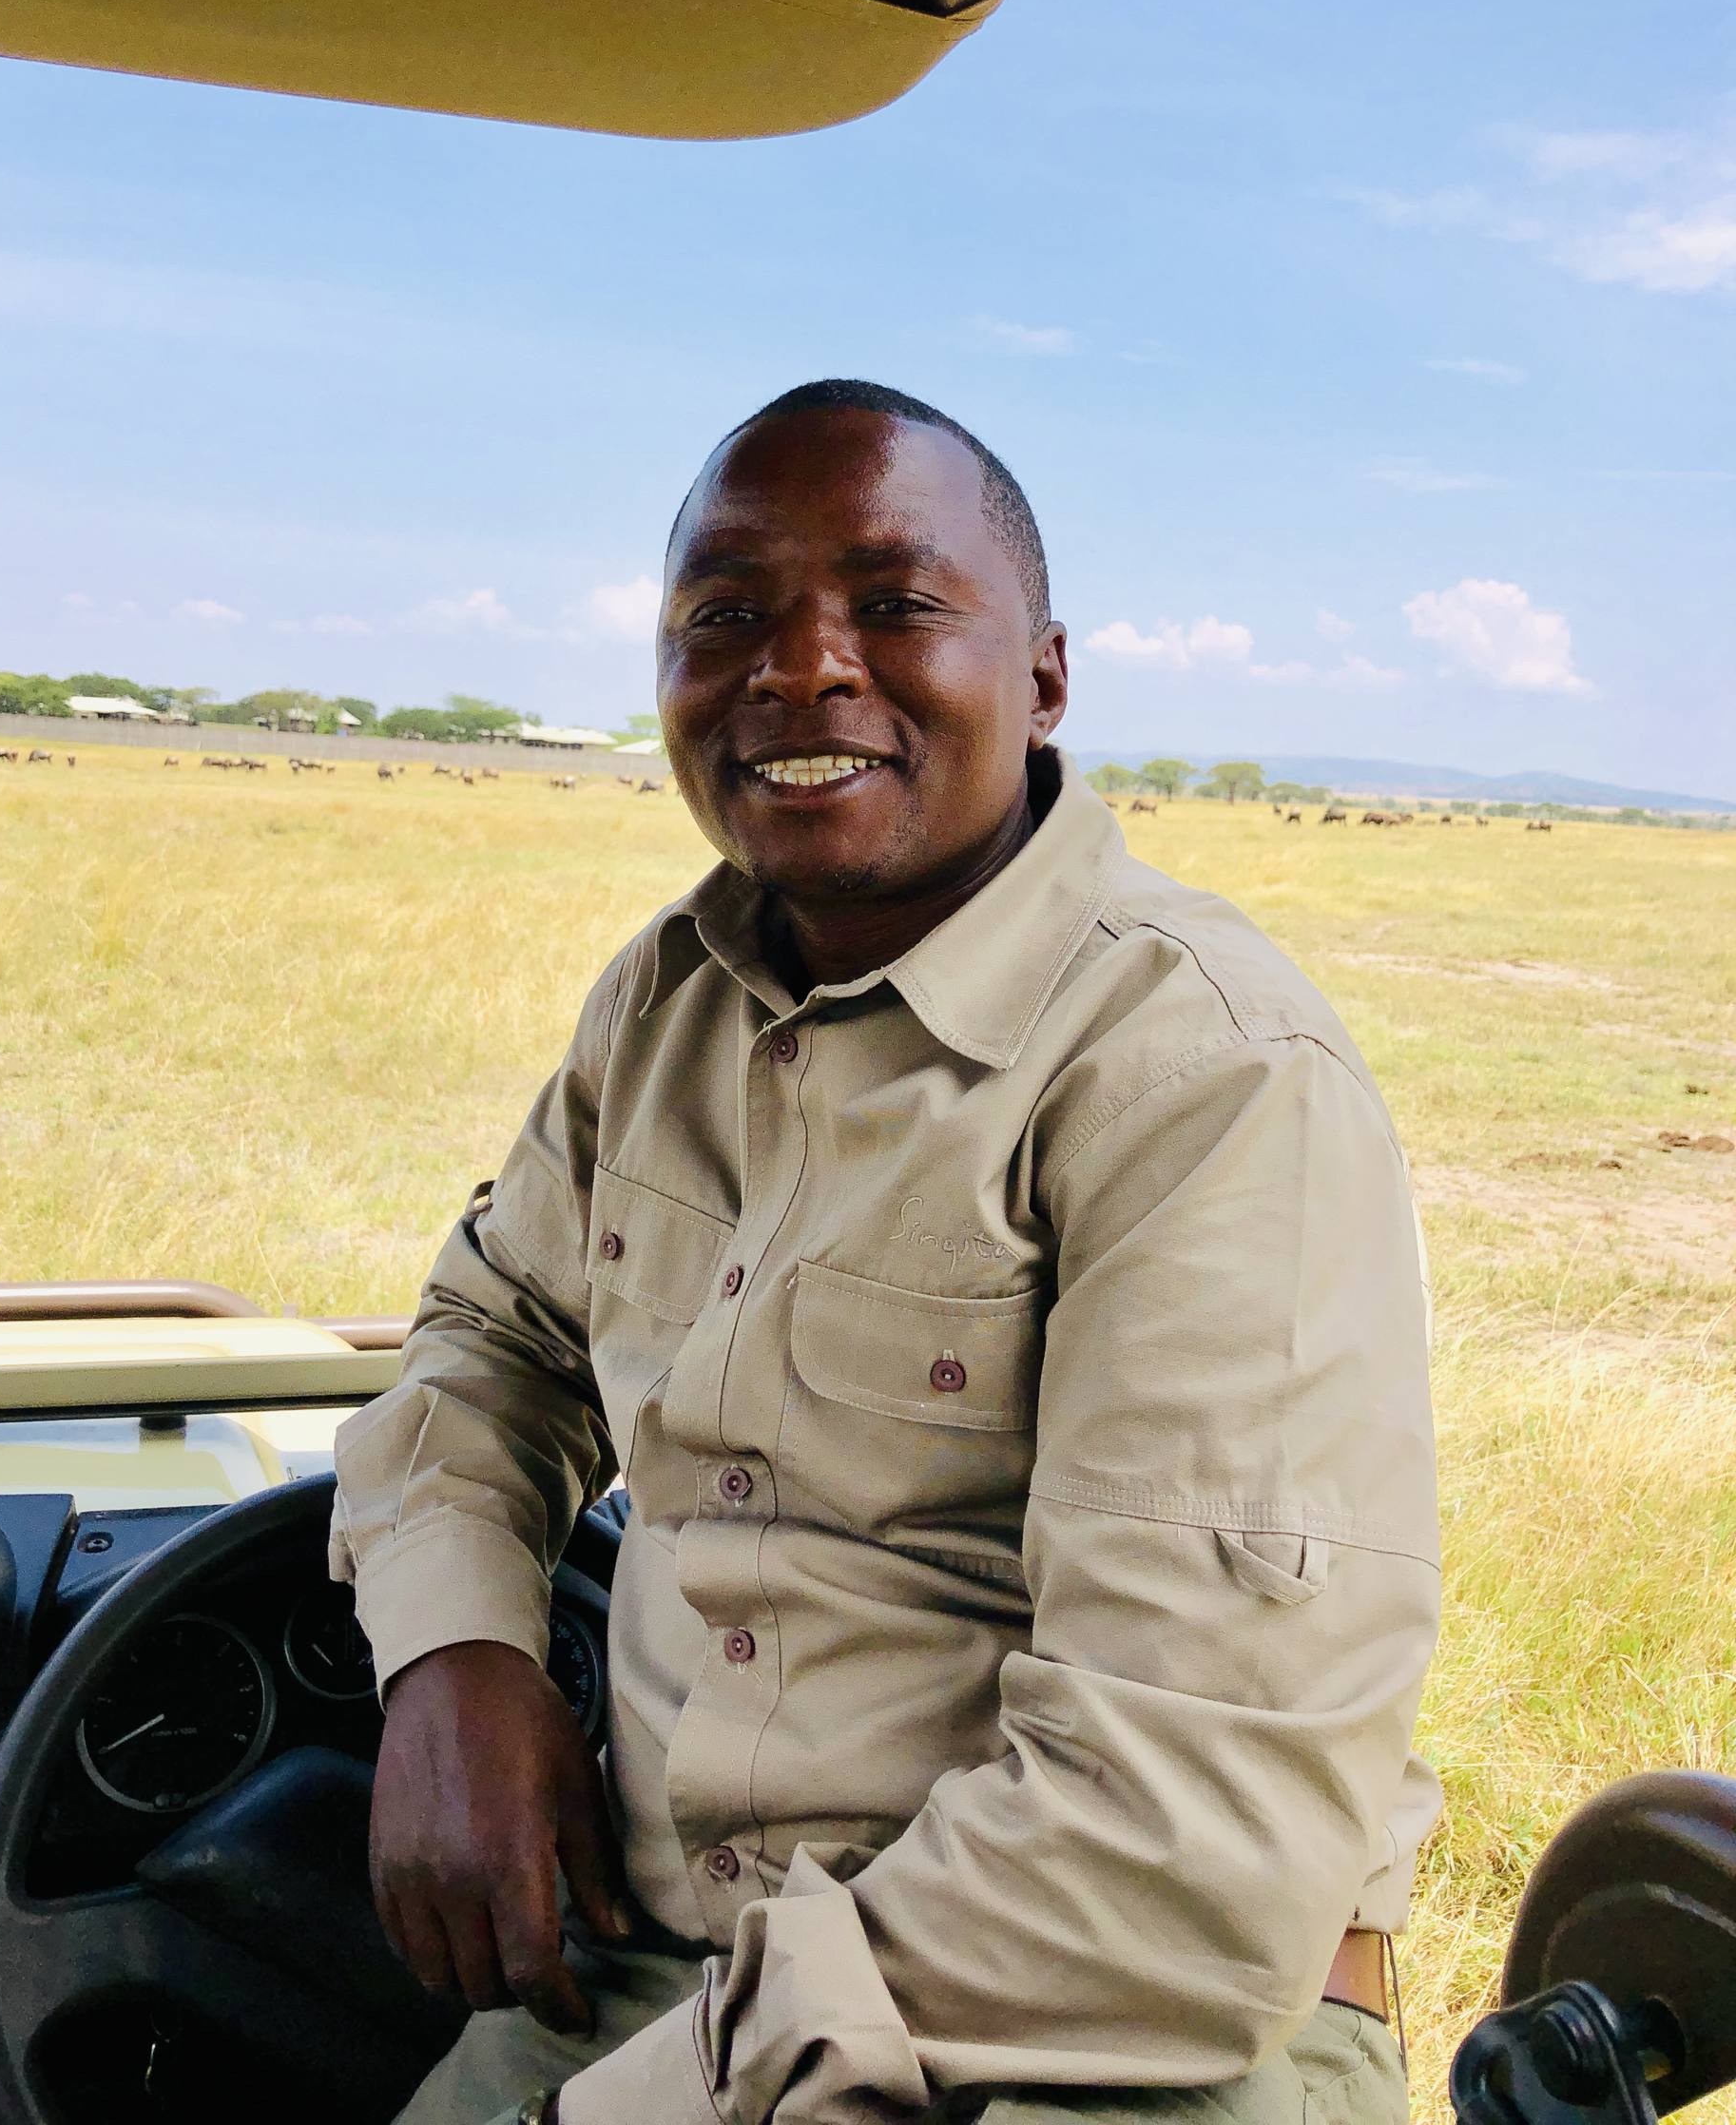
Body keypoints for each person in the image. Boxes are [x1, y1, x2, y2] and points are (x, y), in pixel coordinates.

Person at [329, 380, 1440, 2125]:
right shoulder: (665, 1005)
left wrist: (621, 2114)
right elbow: (497, 1334)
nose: (798, 666)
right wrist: (457, 1652)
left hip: (1091, 2033)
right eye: (726, 616)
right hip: (665, 1964)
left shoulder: (1204, 1074)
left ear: (1049, 677)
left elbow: (1172, 1854)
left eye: (896, 603)